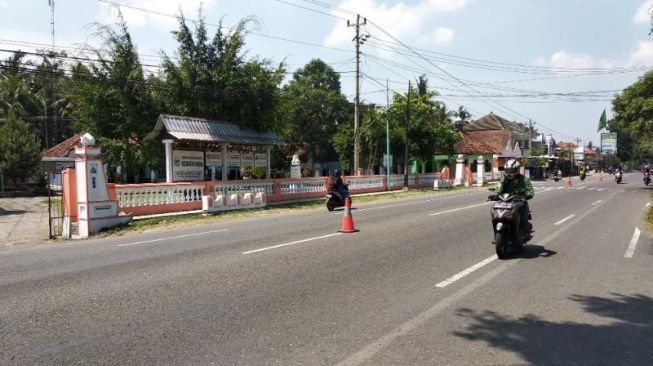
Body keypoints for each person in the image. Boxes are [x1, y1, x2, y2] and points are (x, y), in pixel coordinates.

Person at [495, 159, 534, 239]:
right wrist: (502, 182)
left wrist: (525, 196)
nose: (509, 172)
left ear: (516, 169)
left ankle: (523, 231)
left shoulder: (524, 179)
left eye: (511, 170)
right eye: (507, 170)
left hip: (520, 201)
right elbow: (498, 190)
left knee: (520, 209)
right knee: (494, 210)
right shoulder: (504, 180)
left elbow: (530, 191)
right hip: (506, 201)